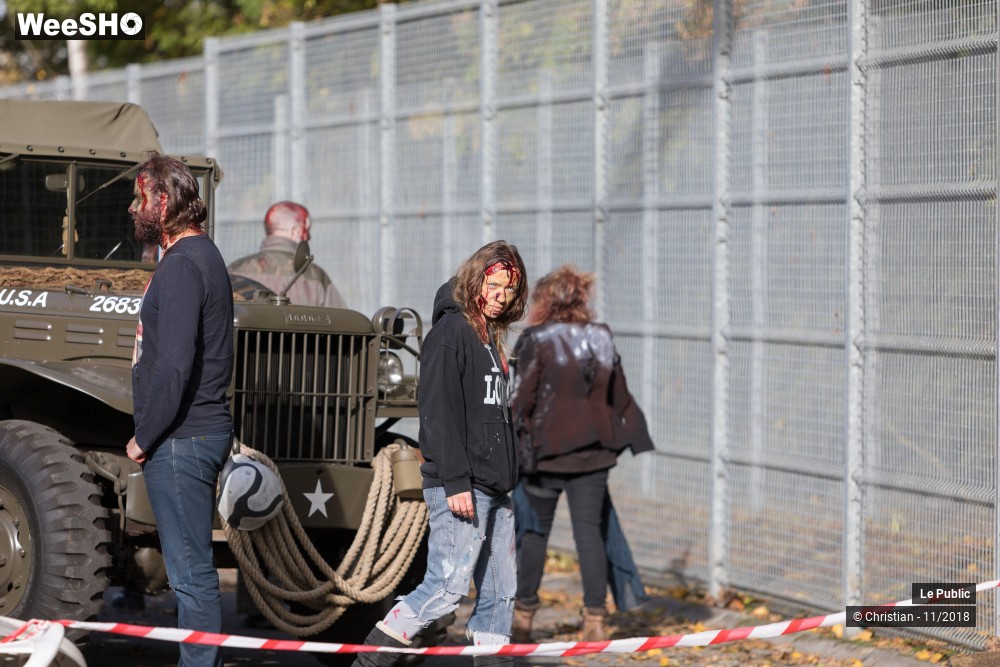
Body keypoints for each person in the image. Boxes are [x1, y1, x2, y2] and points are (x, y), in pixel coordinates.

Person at [352, 240, 528, 667]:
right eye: (494, 285)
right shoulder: (451, 334)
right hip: (461, 486)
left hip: (496, 489)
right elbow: (437, 412)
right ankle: (368, 662)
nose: (500, 296)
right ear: (476, 281)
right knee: (445, 587)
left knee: (500, 593)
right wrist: (454, 481)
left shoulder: (491, 341)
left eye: (509, 289)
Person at [125, 151, 235, 667]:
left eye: (140, 196)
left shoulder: (185, 265)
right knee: (192, 576)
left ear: (165, 201)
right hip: (191, 437)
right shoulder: (197, 258)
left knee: (191, 578)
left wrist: (144, 435)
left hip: (182, 440)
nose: (133, 207)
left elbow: (174, 366)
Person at [509, 264, 654, 644]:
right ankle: (595, 621)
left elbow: (521, 399)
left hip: (544, 457)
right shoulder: (601, 337)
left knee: (534, 535)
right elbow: (619, 396)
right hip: (594, 455)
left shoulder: (536, 339)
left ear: (545, 301)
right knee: (589, 534)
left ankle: (523, 620)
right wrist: (633, 435)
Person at [227, 200, 346, 307]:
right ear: (293, 231)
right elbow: (342, 321)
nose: (309, 237)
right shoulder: (315, 276)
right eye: (307, 230)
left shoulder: (235, 269)